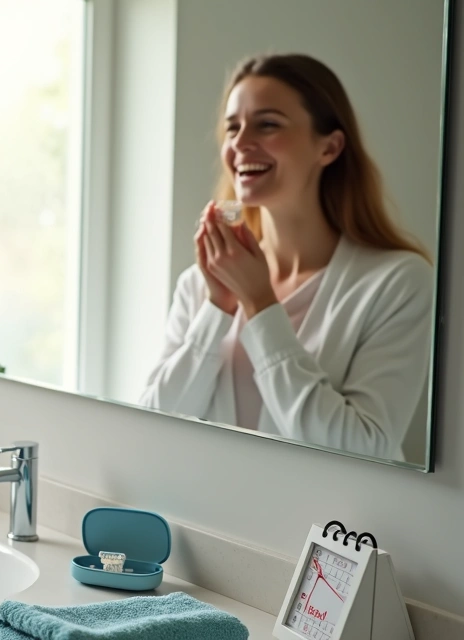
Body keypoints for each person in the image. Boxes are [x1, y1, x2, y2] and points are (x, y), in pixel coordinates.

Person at [139, 53, 434, 461]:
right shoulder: (201, 283)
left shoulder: (397, 282)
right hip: (220, 521)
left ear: (329, 147)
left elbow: (370, 449)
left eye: (267, 124)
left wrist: (261, 307)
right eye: (232, 128)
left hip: (330, 525)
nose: (240, 144)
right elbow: (153, 429)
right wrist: (216, 309)